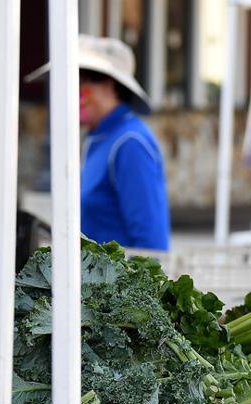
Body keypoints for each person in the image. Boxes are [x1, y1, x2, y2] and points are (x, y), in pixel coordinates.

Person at [28, 35, 170, 251]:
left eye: (79, 82)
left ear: (110, 86)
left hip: (118, 283)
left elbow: (151, 245)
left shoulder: (129, 143)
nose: (71, 94)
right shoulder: (99, 138)